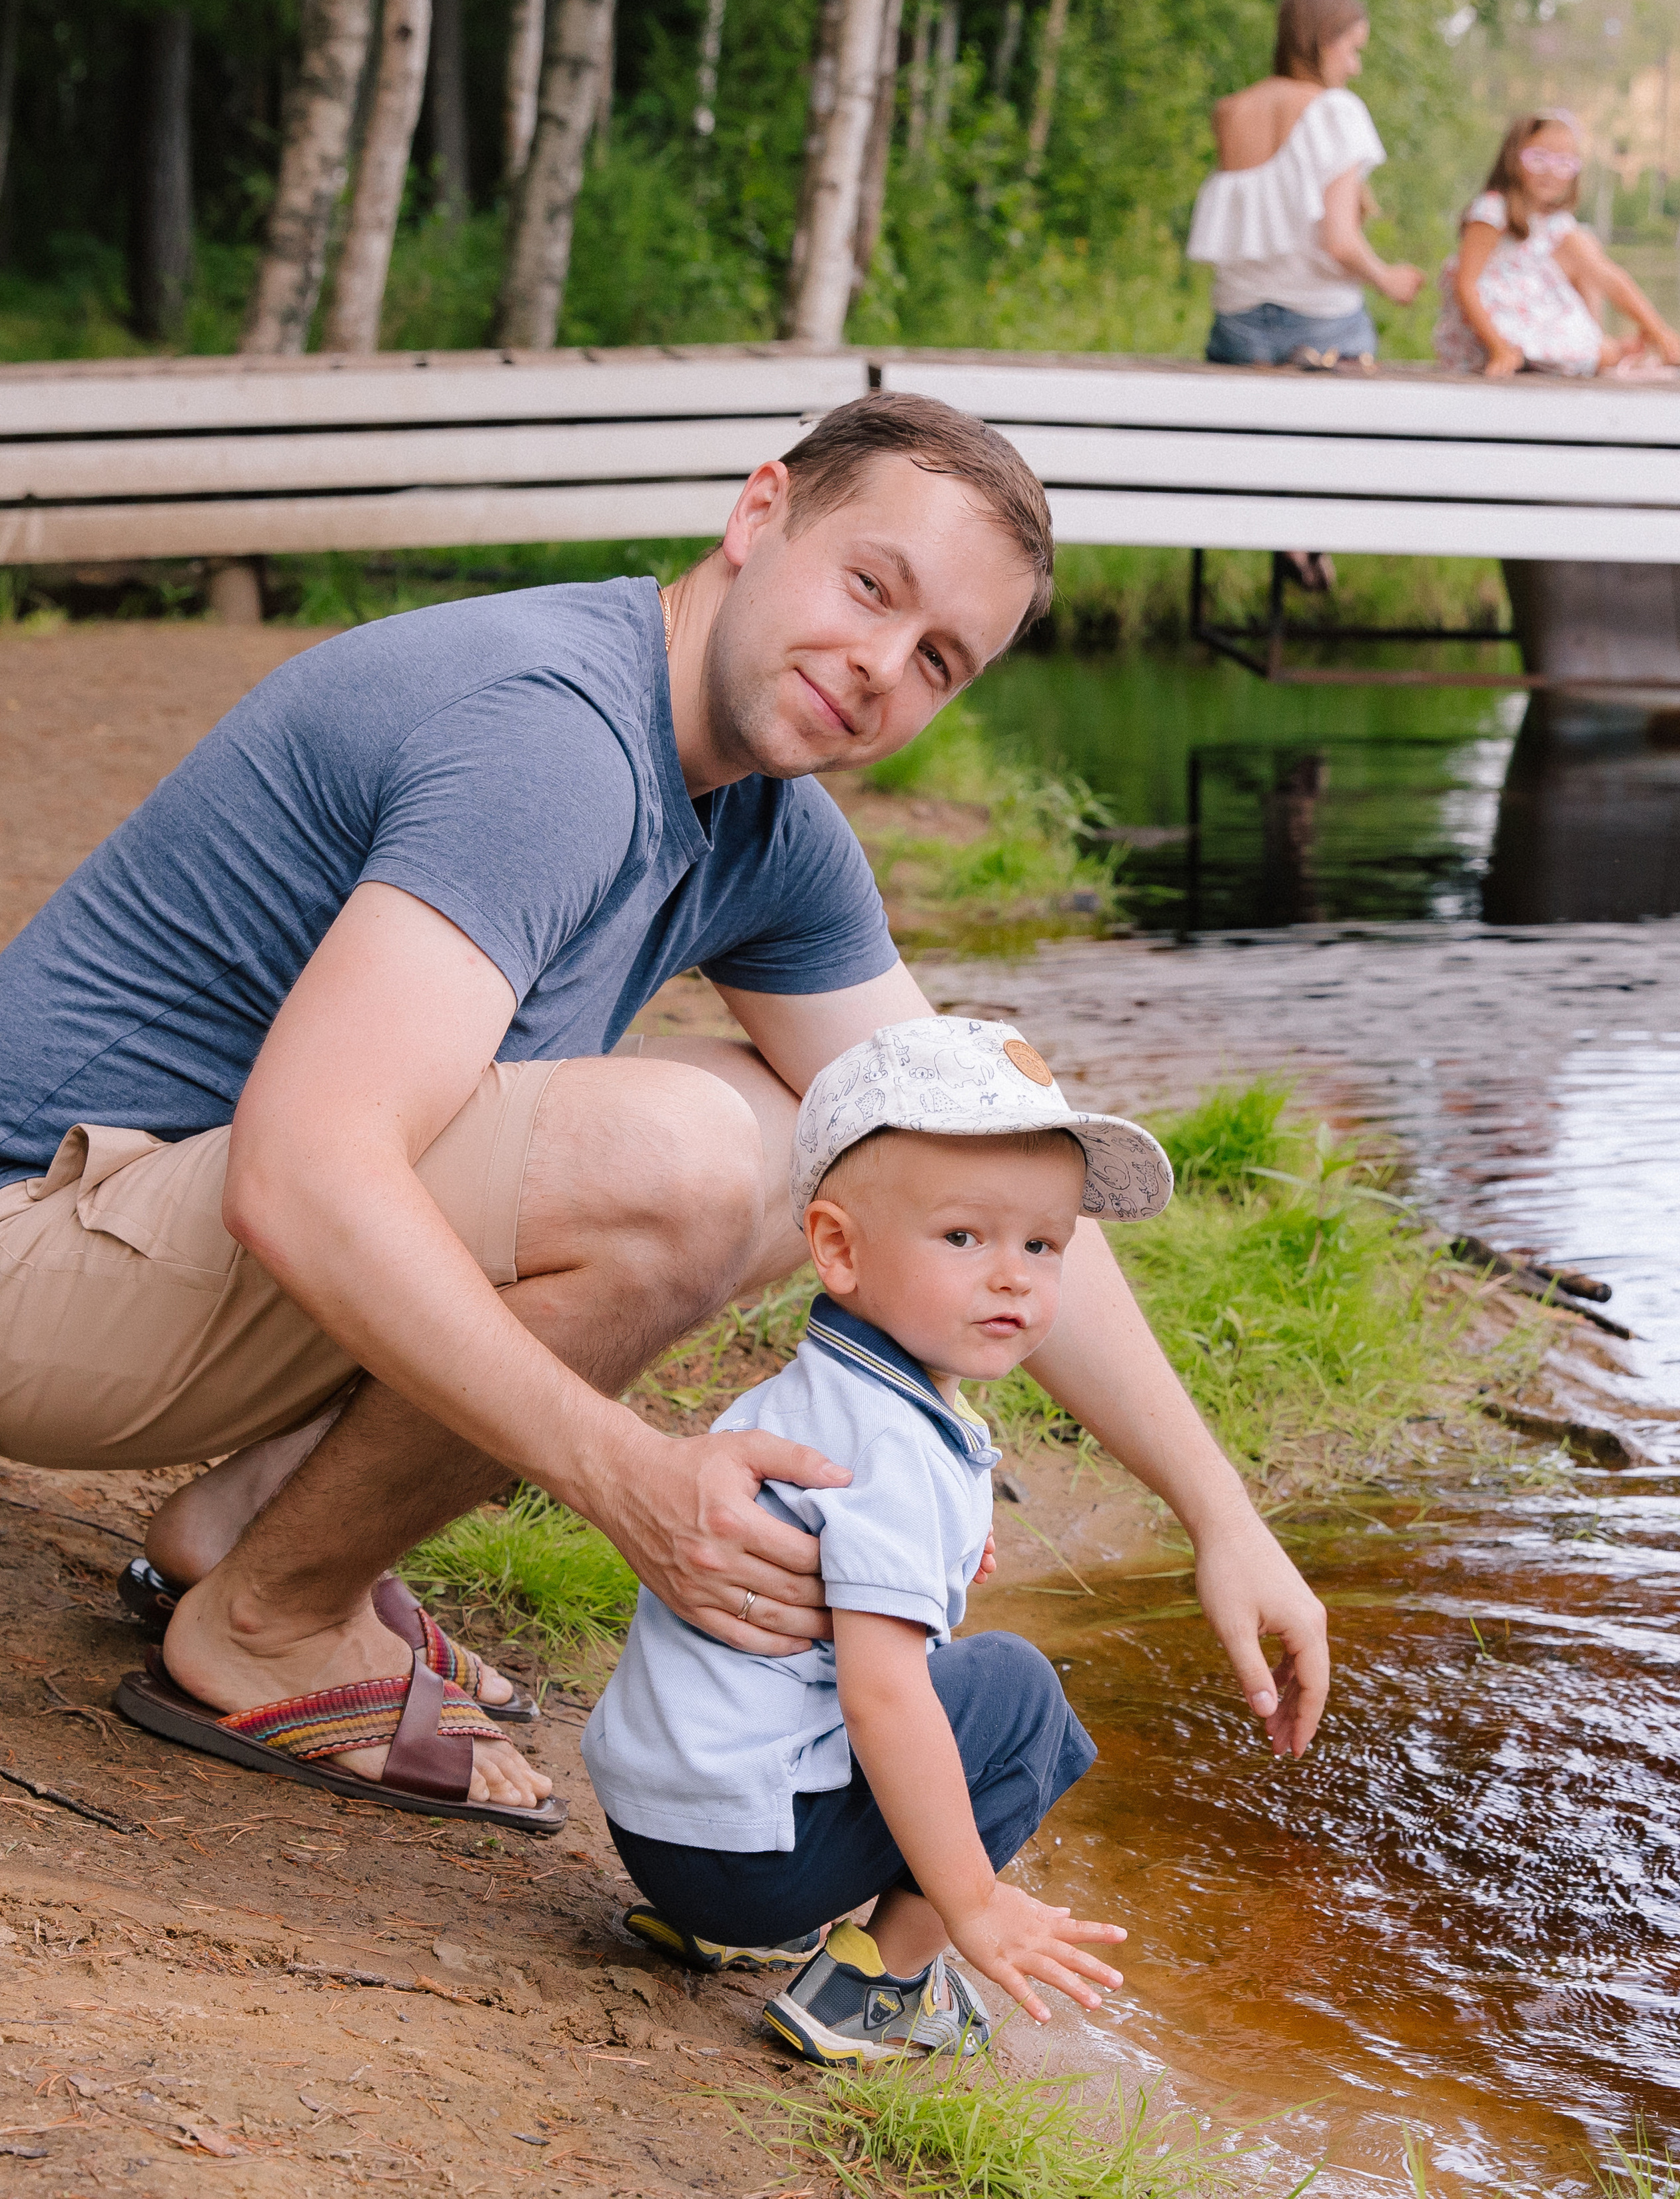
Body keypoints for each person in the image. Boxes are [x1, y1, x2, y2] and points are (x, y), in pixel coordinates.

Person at [0, 391, 1328, 1833]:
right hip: (39, 1255)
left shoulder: (766, 831)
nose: (879, 664)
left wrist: (1219, 1510)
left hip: (141, 1248)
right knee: (690, 1160)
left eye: (938, 657)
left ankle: (255, 1532)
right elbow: (303, 1171)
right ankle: (268, 1624)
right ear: (758, 515)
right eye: (869, 585)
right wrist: (629, 1477)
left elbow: (978, 1172)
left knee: (836, 1141)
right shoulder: (555, 736)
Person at [585, 1015, 1169, 2064]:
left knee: (947, 1672)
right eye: (965, 1236)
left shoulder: (802, 1398)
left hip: (658, 1828)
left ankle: (725, 1930)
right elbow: (883, 1692)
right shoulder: (895, 1444)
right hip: (746, 1855)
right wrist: (976, 1899)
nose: (1014, 1275)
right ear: (839, 1246)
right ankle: (884, 1979)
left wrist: (939, 1560)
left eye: (1043, 1243)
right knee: (1020, 1694)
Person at [1188, 0, 1425, 374]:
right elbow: (1339, 242)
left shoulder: (1230, 112)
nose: (1355, 66)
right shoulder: (1337, 110)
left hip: (1237, 327)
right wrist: (1388, 279)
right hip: (1321, 326)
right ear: (1324, 42)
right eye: (1352, 50)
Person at [1434, 113, 1680, 376]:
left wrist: (1657, 327)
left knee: (1586, 253)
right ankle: (1605, 350)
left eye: (1564, 163)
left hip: (1528, 318)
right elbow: (1465, 283)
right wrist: (1499, 348)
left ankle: (1607, 347)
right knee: (1601, 354)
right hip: (1488, 331)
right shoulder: (1493, 210)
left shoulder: (1553, 222)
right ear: (1513, 158)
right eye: (1539, 159)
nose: (1551, 172)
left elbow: (1606, 275)